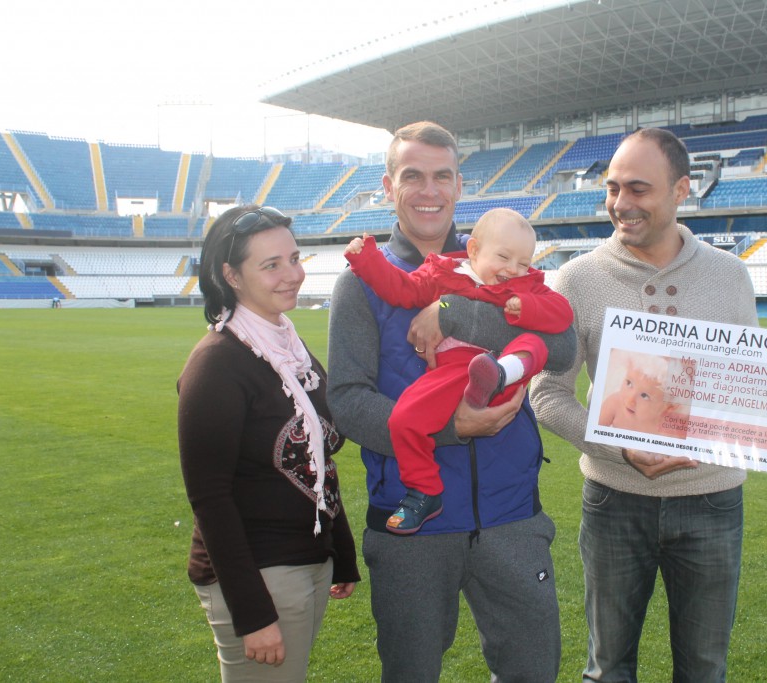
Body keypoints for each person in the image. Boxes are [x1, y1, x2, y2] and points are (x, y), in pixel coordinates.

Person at [530, 128, 767, 683]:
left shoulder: (730, 275)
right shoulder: (576, 278)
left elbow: (738, 381)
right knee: (608, 669)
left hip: (712, 501)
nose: (620, 204)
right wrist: (618, 447)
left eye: (638, 188)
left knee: (704, 669)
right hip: (614, 501)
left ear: (682, 189)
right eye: (612, 188)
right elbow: (546, 391)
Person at [327, 121, 575, 682]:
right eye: (412, 176)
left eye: (442, 176)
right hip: (414, 527)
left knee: (532, 671)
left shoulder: (504, 261)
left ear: (460, 185)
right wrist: (452, 427)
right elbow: (346, 400)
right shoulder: (362, 283)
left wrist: (452, 312)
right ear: (389, 187)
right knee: (411, 673)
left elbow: (560, 346)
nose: (429, 190)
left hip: (511, 516)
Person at [177, 204, 360, 682]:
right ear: (231, 275)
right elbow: (209, 499)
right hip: (260, 576)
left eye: (295, 259)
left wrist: (339, 551)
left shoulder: (288, 348)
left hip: (306, 562)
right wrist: (253, 614)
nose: (293, 275)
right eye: (271, 265)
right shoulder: (217, 364)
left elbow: (316, 457)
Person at [343, 207, 573, 534]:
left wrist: (529, 308)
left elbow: (561, 316)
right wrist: (367, 260)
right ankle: (424, 491)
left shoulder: (528, 286)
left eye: (523, 263)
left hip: (507, 375)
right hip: (451, 375)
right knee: (402, 420)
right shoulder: (442, 274)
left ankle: (500, 372)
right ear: (475, 250)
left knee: (533, 344)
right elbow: (401, 289)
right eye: (504, 257)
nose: (513, 270)